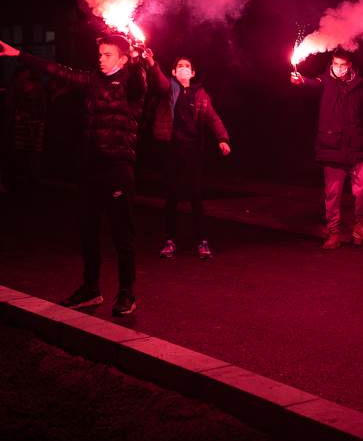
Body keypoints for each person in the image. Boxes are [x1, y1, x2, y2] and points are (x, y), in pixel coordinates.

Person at [0, 35, 152, 316]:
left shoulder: (132, 84)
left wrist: (140, 59)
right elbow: (59, 70)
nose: (101, 58)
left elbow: (141, 80)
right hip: (91, 166)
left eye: (107, 54)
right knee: (87, 230)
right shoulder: (93, 80)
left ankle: (127, 293)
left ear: (122, 59)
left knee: (122, 234)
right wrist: (19, 54)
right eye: (100, 53)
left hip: (118, 167)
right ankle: (91, 289)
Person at [290, 47, 363, 249]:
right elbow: (312, 84)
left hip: (356, 146)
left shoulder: (360, 85)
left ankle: (360, 227)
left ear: (350, 65)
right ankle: (334, 232)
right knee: (333, 194)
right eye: (335, 65)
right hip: (332, 147)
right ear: (331, 64)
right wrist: (300, 80)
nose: (339, 69)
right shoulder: (324, 82)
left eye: (343, 65)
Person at [152, 57, 231, 260]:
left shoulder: (201, 94)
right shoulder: (168, 89)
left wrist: (222, 138)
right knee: (171, 197)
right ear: (173, 72)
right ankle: (170, 241)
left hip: (193, 151)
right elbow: (158, 79)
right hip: (172, 150)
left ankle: (201, 241)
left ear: (193, 73)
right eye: (180, 66)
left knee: (196, 196)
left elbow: (212, 118)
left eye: (187, 67)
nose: (184, 69)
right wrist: (151, 62)